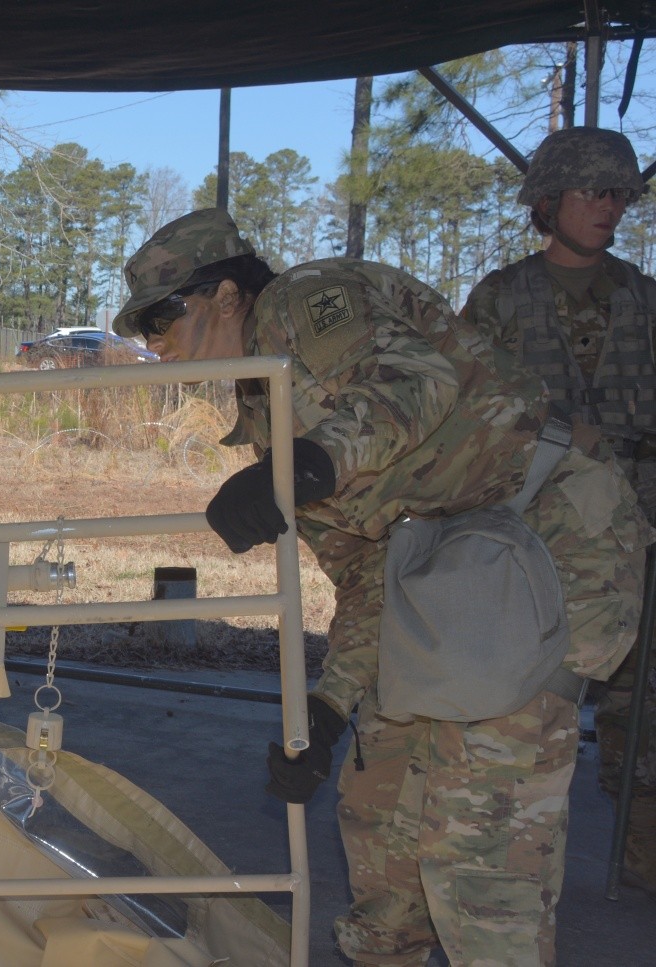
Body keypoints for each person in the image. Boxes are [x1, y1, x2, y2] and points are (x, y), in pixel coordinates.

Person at [111, 209, 648, 966]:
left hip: (549, 536)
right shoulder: (270, 410)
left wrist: (308, 465)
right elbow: (368, 574)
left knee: (476, 833)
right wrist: (331, 709)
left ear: (225, 296)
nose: (154, 341)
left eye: (163, 316)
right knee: (383, 815)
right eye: (142, 328)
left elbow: (416, 381)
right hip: (448, 573)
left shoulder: (305, 301)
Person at [457, 126, 656, 889]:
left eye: (619, 194)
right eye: (592, 192)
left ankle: (639, 859)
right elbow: (467, 406)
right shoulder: (502, 299)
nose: (609, 207)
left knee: (640, 703)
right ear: (548, 202)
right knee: (524, 698)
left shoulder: (642, 298)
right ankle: (505, 859)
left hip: (635, 533)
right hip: (536, 539)